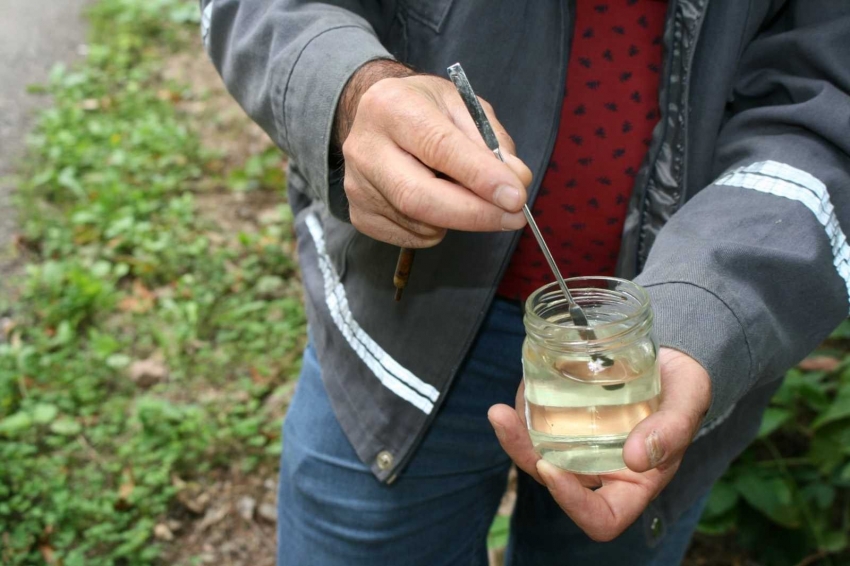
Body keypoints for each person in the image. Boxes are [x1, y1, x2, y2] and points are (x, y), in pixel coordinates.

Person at [200, 1, 850, 564]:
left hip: (665, 360)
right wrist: (350, 89)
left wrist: (707, 309)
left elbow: (827, 98)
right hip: (393, 336)